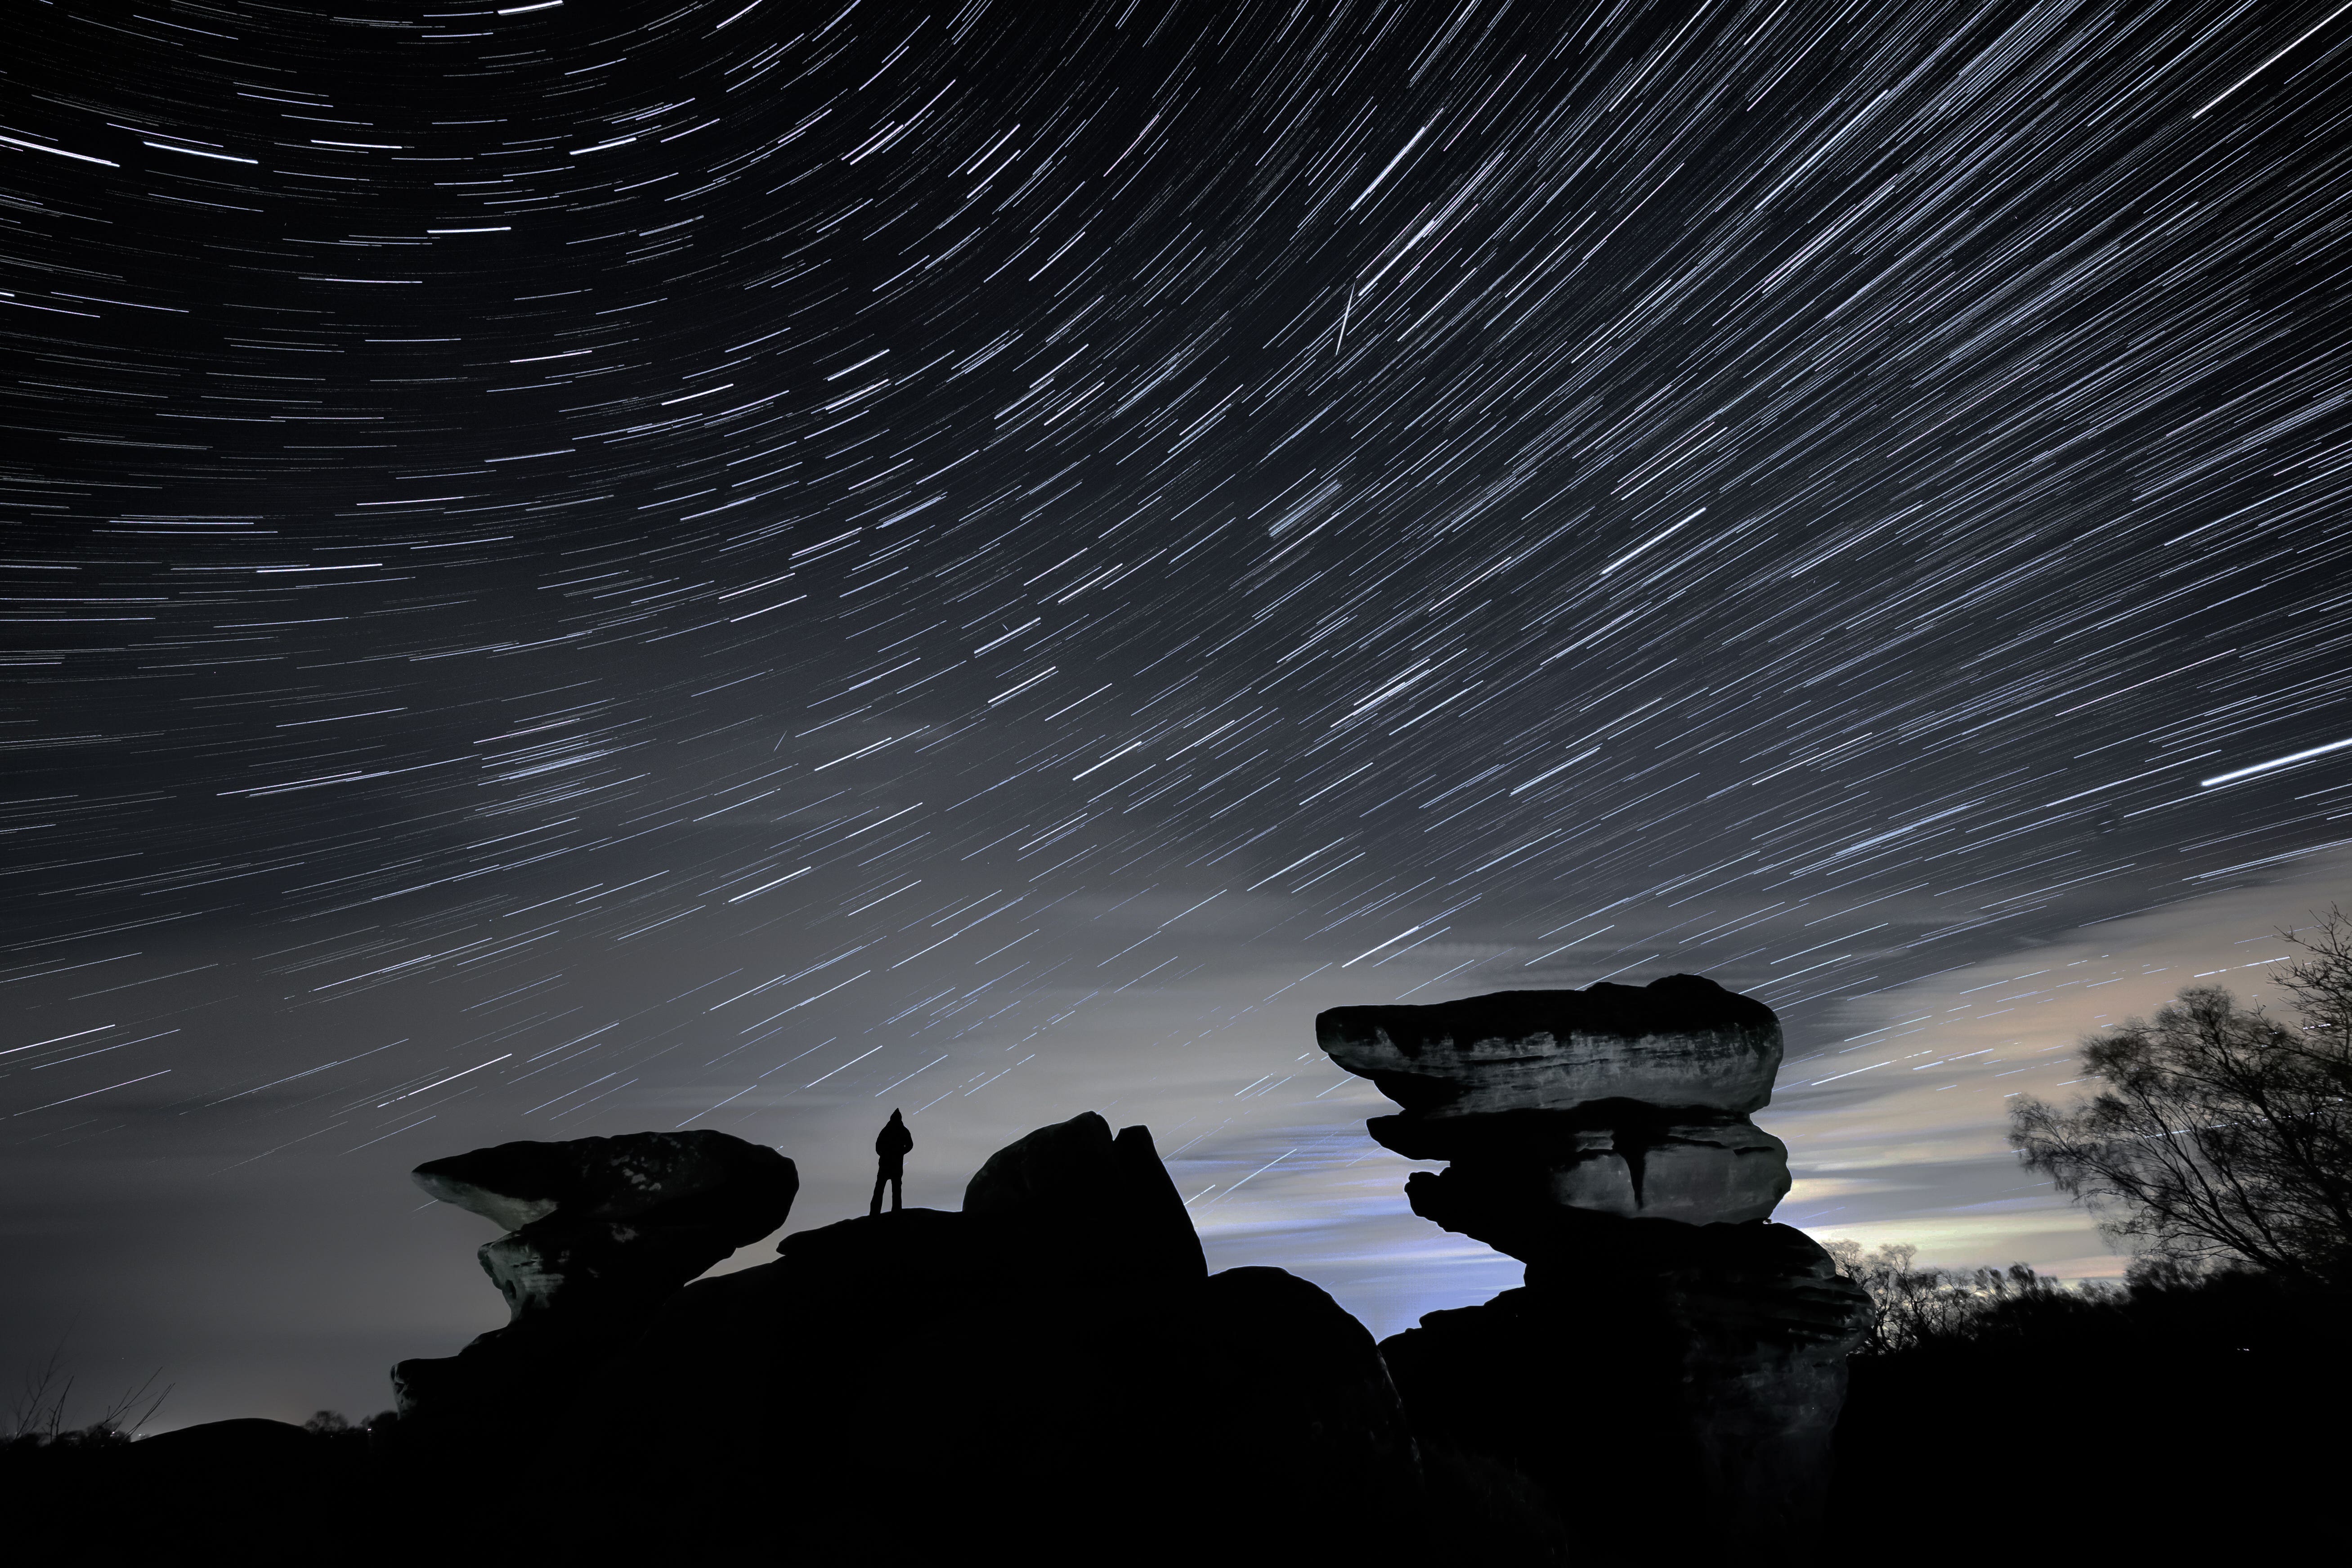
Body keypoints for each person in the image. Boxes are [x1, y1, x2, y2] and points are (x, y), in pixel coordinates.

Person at [871, 1108, 912, 1215]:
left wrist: (900, 1152)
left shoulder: (888, 1130)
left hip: (891, 1165)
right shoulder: (899, 1130)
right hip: (892, 1165)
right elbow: (878, 1147)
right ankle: (887, 1212)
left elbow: (910, 1145)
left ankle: (886, 1213)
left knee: (888, 1190)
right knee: (886, 1190)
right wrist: (900, 1152)